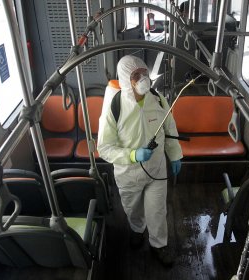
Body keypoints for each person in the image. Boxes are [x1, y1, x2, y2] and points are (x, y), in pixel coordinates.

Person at [97, 55, 183, 266]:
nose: (143, 78)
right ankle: (137, 230)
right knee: (133, 209)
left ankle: (158, 245)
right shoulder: (114, 107)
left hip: (157, 170)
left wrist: (175, 155)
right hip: (129, 173)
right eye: (136, 75)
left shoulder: (158, 98)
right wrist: (133, 155)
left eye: (144, 72)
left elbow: (169, 128)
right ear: (126, 79)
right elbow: (104, 148)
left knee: (157, 210)